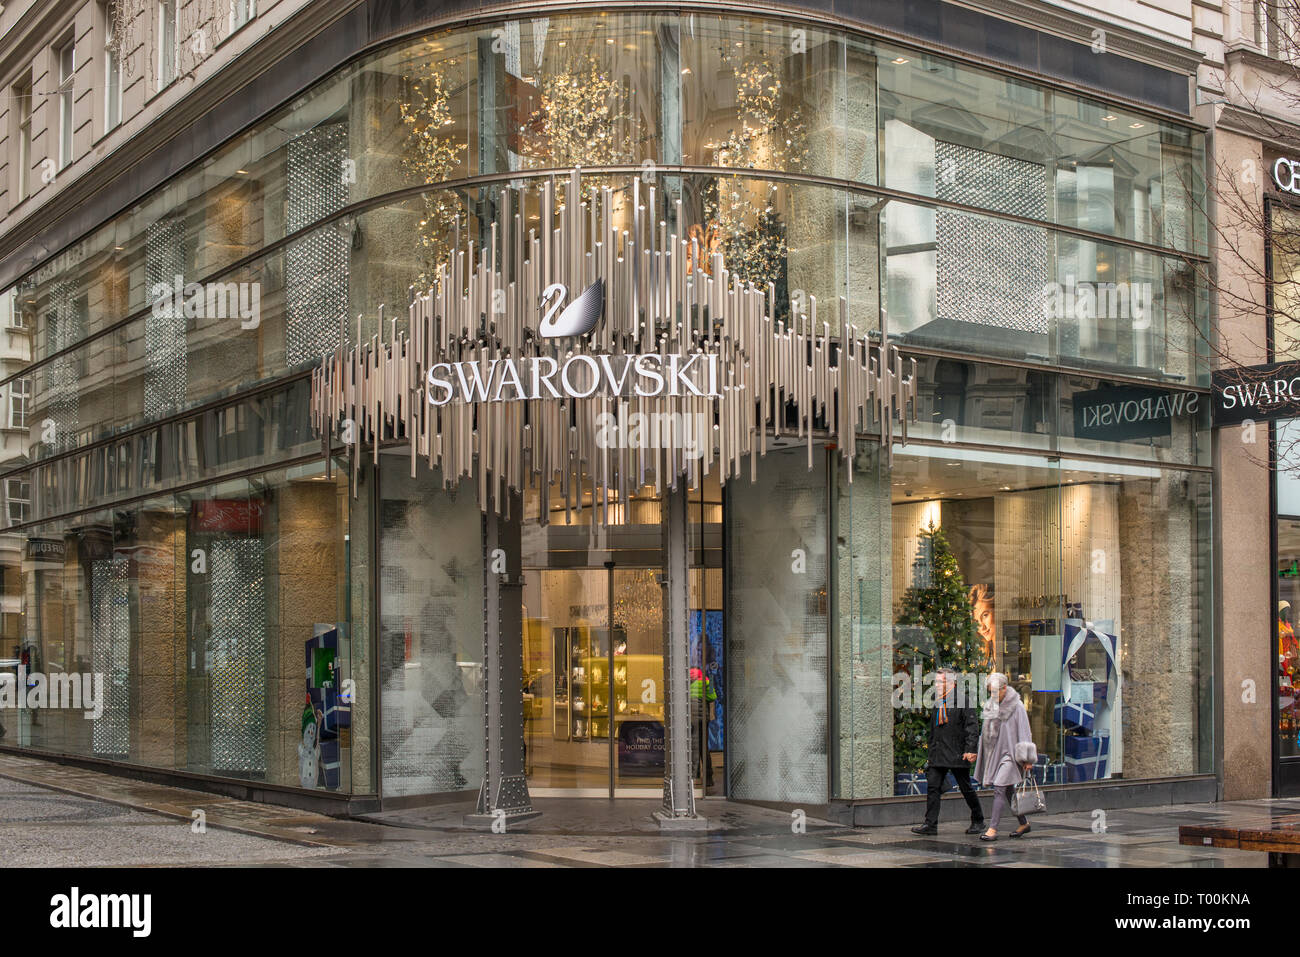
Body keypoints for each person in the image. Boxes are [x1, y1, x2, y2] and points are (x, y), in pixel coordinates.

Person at [912, 667, 985, 835]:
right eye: (936, 682)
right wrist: (931, 750)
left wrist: (970, 749)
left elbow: (972, 726)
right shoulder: (939, 701)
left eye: (941, 682)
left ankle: (978, 819)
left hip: (958, 752)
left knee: (965, 787)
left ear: (952, 683)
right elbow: (934, 728)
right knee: (933, 787)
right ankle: (930, 825)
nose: (937, 685)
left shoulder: (963, 700)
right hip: (939, 752)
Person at [973, 672, 1035, 842]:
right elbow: (985, 733)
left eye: (995, 691)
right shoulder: (990, 706)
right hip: (995, 754)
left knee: (1000, 787)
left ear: (1004, 688)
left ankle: (992, 829)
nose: (993, 695)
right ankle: (1024, 823)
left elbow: (1024, 732)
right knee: (1008, 790)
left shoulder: (1017, 707)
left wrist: (1027, 759)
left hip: (1011, 755)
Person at [689, 666, 717, 789]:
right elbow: (713, 697)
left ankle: (694, 775)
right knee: (703, 748)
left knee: (691, 746)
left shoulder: (686, 682)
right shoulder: (707, 681)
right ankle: (708, 778)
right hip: (703, 720)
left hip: (689, 719)